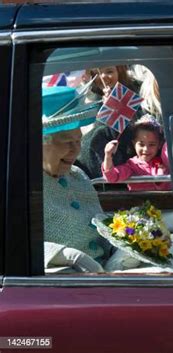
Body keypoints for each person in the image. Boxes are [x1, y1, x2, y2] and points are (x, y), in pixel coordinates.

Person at [42, 86, 110, 272]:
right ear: (40, 142)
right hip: (64, 285)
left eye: (78, 141)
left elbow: (99, 224)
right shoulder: (22, 185)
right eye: (67, 142)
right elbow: (14, 245)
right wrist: (64, 255)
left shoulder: (78, 175)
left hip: (105, 270)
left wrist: (130, 236)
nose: (76, 150)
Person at [75, 65, 142, 179]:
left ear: (119, 72)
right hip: (97, 167)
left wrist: (116, 106)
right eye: (97, 73)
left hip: (126, 164)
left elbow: (139, 127)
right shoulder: (85, 99)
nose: (103, 77)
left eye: (109, 71)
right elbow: (92, 137)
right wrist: (107, 110)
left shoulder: (135, 91)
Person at [102, 114, 171, 191]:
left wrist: (161, 177)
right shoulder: (132, 165)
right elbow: (112, 177)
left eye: (152, 144)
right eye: (141, 144)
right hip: (139, 201)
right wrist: (108, 155)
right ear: (134, 143)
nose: (146, 149)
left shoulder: (163, 161)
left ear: (159, 145)